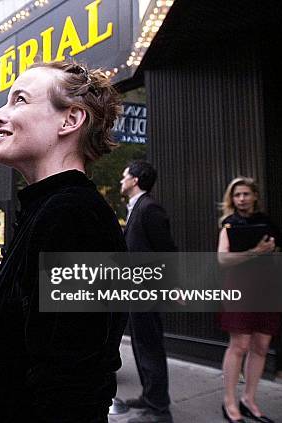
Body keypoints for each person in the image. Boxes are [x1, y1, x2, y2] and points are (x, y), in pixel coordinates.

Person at [0, 61, 128, 422]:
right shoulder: (48, 211)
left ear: (70, 120)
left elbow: (73, 385)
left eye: (19, 100)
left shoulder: (72, 217)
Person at [217, 177, 282, 423]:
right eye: (237, 195)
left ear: (255, 195)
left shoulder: (267, 223)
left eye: (246, 194)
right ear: (232, 199)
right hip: (239, 287)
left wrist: (271, 252)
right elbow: (222, 260)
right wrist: (254, 252)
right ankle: (229, 402)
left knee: (261, 346)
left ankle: (249, 399)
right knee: (239, 346)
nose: (242, 199)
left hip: (266, 289)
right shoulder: (229, 225)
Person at [119, 161, 176, 423]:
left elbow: (167, 252)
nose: (121, 181)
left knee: (150, 345)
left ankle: (159, 409)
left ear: (136, 180)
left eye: (124, 176)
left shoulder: (150, 208)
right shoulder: (136, 208)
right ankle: (149, 396)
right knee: (142, 345)